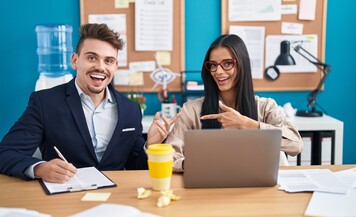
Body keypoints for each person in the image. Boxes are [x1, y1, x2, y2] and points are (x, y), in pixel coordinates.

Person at [0, 23, 178, 182]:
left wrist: (150, 146)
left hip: (115, 199)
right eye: (92, 58)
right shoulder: (45, 103)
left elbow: (135, 167)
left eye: (108, 61)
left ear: (115, 66)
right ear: (75, 61)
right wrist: (39, 168)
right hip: (65, 197)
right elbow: (5, 153)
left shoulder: (131, 109)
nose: (100, 67)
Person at [165, 34, 303, 172]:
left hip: (256, 188)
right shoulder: (192, 110)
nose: (218, 71)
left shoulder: (265, 107)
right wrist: (194, 164)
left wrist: (248, 124)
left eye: (227, 63)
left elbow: (296, 145)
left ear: (242, 64)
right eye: (213, 65)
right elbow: (169, 157)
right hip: (210, 189)